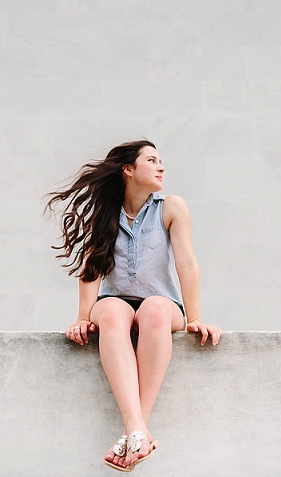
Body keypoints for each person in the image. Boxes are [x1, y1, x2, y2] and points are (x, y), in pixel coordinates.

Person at [46, 140, 221, 472]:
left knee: (153, 308)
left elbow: (187, 265)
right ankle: (138, 431)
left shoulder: (171, 206)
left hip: (162, 303)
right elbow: (91, 267)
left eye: (160, 160)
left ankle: (134, 429)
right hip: (115, 303)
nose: (161, 167)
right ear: (128, 169)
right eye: (152, 160)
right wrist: (83, 317)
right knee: (111, 311)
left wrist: (195, 316)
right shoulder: (106, 211)